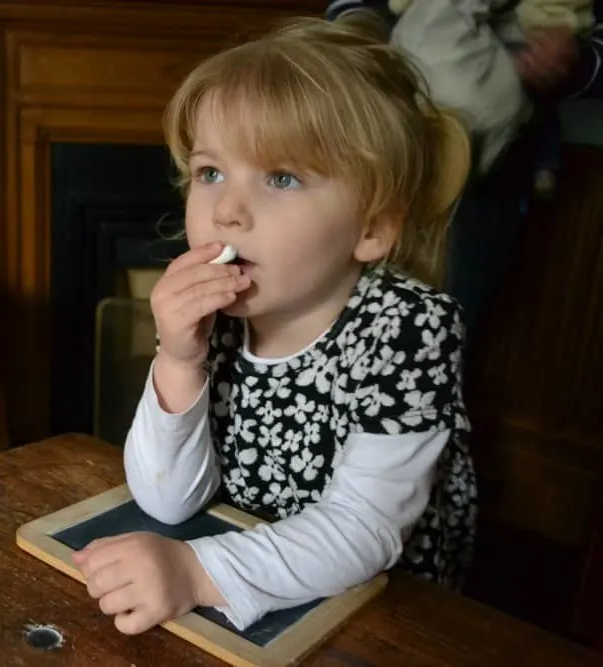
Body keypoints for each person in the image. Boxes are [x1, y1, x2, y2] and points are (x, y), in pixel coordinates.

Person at [69, 17, 478, 635]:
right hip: (248, 578)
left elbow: (363, 531)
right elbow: (167, 500)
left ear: (371, 228)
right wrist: (177, 363)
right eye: (210, 173)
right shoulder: (226, 317)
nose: (226, 211)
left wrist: (196, 573)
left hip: (381, 611)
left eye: (281, 178)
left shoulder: (411, 329)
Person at [326, 0, 603, 336]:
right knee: (323, 314)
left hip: (480, 186)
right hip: (370, 135)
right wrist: (358, 34)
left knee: (426, 332)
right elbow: (352, 8)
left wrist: (572, 61)